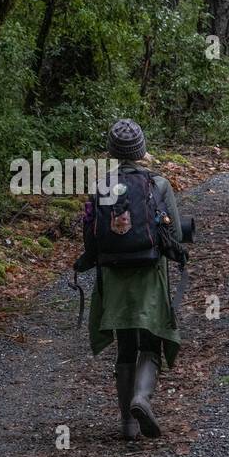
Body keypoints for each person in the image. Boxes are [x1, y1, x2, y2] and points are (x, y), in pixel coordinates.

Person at [76, 118, 183, 440]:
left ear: (111, 152)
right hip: (149, 274)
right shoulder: (158, 184)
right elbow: (175, 234)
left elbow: (90, 237)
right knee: (150, 341)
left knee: (125, 347)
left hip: (114, 276)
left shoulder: (101, 186)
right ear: (141, 149)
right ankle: (141, 398)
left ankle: (128, 424)